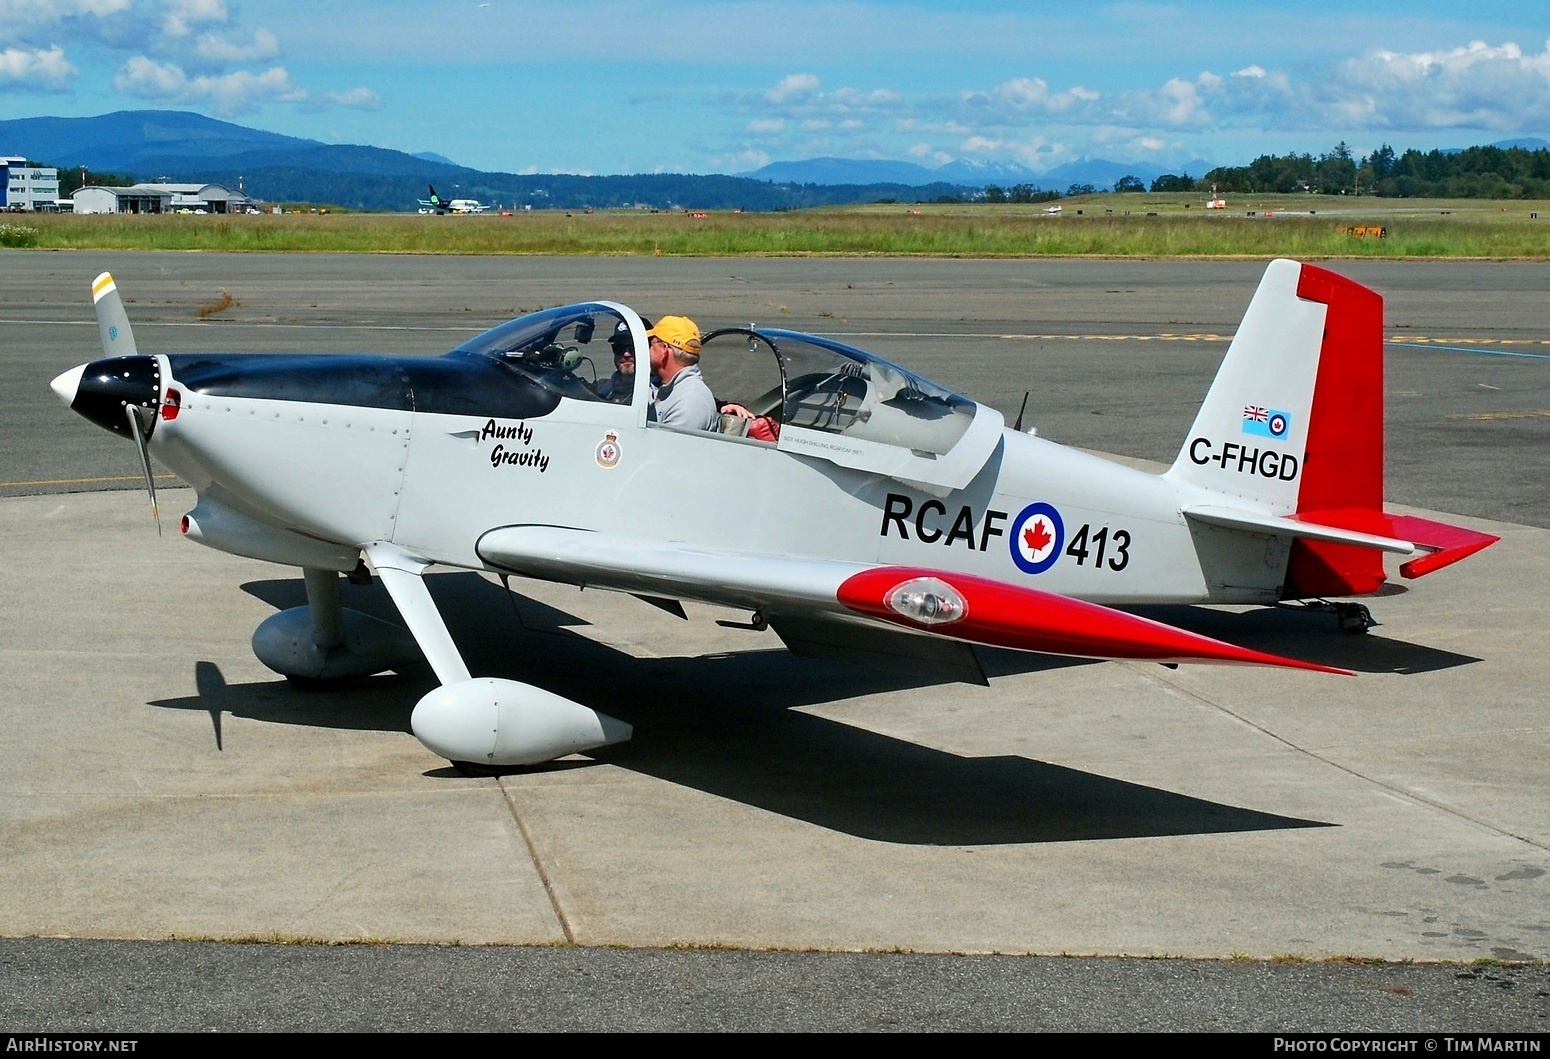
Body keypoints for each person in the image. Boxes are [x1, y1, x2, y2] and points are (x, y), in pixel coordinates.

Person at [646, 315, 718, 431]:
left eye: (651, 344)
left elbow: (665, 447)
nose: (648, 350)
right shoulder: (669, 388)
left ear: (664, 349)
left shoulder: (689, 402)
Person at [597, 317, 649, 403]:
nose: (626, 354)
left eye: (633, 347)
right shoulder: (603, 389)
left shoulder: (661, 393)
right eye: (619, 348)